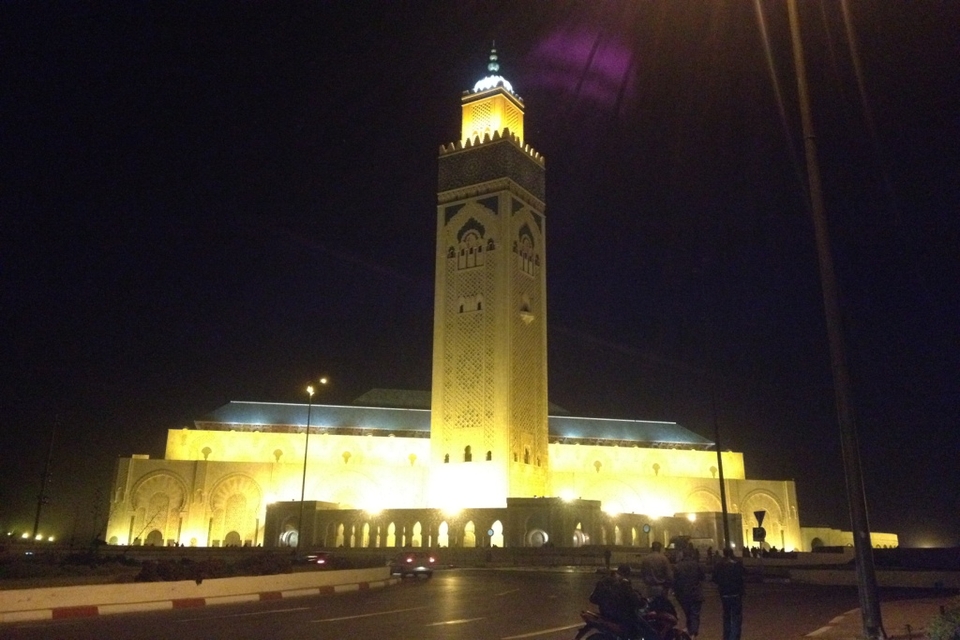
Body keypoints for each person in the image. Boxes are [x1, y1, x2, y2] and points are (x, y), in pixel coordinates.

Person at [589, 564, 658, 639]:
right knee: (648, 630)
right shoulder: (623, 582)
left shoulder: (605, 579)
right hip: (620, 615)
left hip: (605, 613)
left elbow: (593, 598)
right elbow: (633, 598)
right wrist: (641, 602)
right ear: (627, 573)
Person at [712, 547, 745, 640]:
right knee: (736, 617)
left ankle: (726, 636)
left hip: (724, 593)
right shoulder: (737, 564)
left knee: (726, 616)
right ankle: (734, 637)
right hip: (736, 593)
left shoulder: (719, 565)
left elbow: (714, 578)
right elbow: (743, 574)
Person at [672, 547, 705, 639]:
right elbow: (702, 577)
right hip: (696, 593)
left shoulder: (678, 566)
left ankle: (690, 630)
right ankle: (693, 633)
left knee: (688, 613)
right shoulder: (696, 565)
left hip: (683, 594)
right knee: (694, 614)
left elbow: (675, 581)